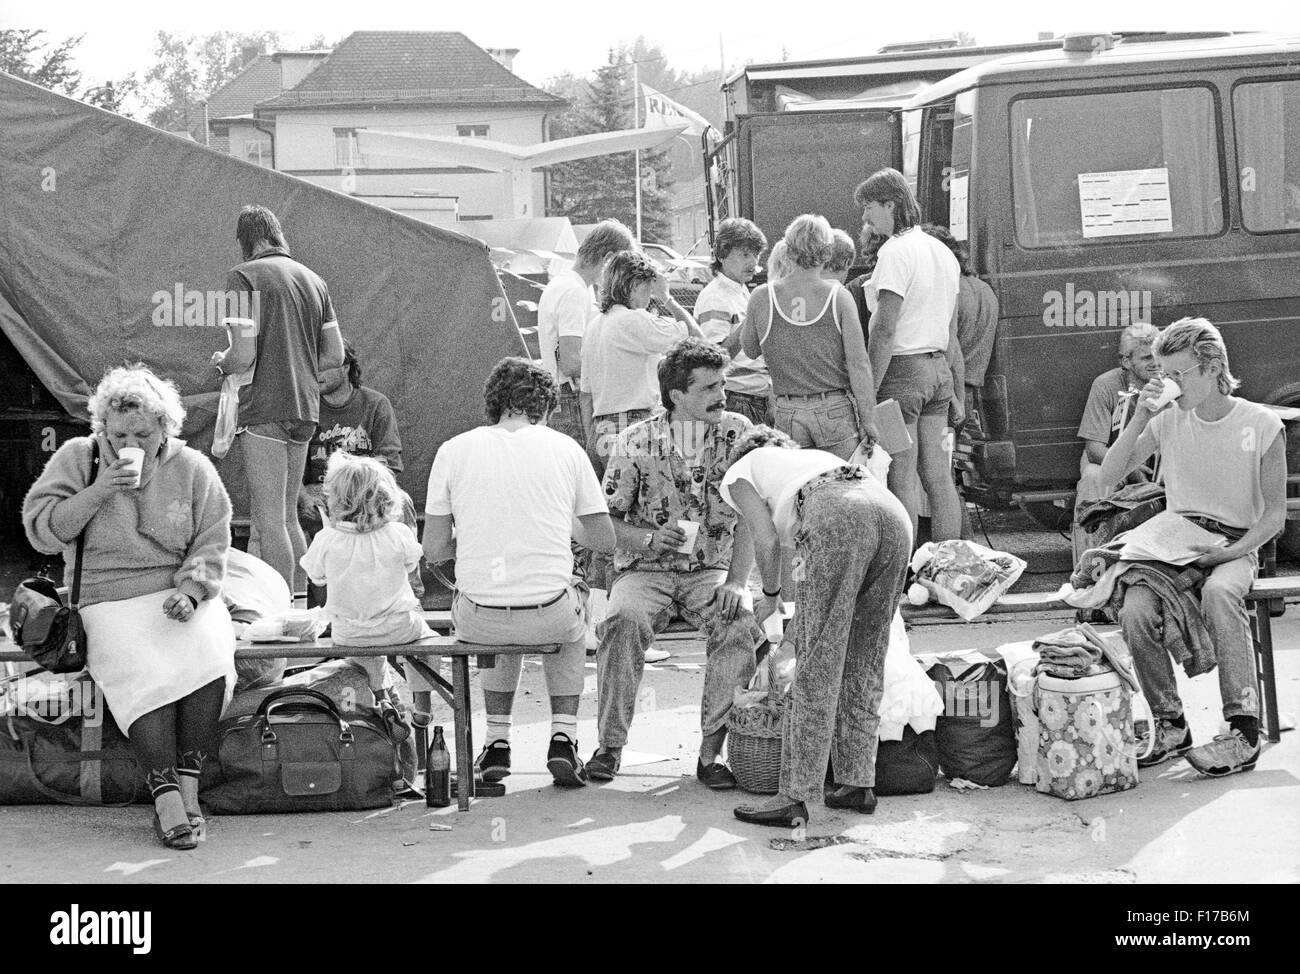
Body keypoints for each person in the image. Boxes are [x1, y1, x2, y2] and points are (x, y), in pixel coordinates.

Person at [23, 365, 235, 851]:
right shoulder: (79, 457)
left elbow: (213, 537)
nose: (128, 444)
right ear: (102, 427)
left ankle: (189, 787)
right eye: (117, 434)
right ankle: (164, 796)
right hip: (105, 595)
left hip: (174, 590)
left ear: (165, 428)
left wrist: (193, 591)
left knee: (211, 651)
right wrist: (99, 490)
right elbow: (42, 530)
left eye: (142, 433)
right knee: (142, 666)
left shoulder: (193, 466)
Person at [1098, 317, 1286, 777]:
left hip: (1234, 542)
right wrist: (1142, 414)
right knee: (1135, 609)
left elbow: (1273, 517)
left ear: (1211, 367)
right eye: (1162, 374)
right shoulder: (1168, 420)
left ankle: (1243, 729)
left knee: (1221, 593)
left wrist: (1227, 553)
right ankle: (1170, 724)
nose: (1168, 384)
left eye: (1178, 374)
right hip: (1175, 538)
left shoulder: (1260, 424)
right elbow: (1106, 479)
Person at [423, 358, 615, 787]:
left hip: (478, 616)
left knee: (498, 604)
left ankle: (496, 741)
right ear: (546, 405)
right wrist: (558, 526)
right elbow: (604, 540)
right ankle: (564, 736)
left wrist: (477, 538)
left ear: (492, 403)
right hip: (551, 612)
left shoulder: (453, 450)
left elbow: (433, 549)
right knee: (571, 597)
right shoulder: (566, 449)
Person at [589, 338, 760, 787]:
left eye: (722, 384)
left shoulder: (740, 433)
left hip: (712, 569)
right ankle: (609, 747)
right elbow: (605, 524)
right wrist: (647, 538)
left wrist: (739, 582)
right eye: (708, 388)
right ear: (677, 396)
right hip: (645, 569)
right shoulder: (635, 441)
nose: (721, 395)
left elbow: (752, 516)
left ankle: (710, 755)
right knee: (622, 618)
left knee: (739, 622)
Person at [720, 427, 911, 826]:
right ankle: (858, 781)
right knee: (866, 655)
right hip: (891, 513)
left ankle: (793, 794)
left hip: (837, 516)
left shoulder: (741, 469)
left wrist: (770, 595)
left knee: (816, 666)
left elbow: (766, 541)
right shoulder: (813, 460)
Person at [212, 204, 345, 593]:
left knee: (267, 521)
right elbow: (334, 357)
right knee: (288, 517)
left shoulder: (242, 276)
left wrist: (222, 363)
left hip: (264, 406)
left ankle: (281, 611)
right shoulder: (315, 280)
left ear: (245, 242)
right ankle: (302, 609)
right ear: (277, 234)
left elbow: (243, 356)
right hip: (306, 407)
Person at [855, 169, 964, 543]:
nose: (866, 219)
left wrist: (866, 390)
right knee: (939, 477)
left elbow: (884, 329)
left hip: (901, 374)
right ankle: (947, 567)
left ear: (891, 203)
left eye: (870, 208)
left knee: (901, 473)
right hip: (939, 371)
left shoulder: (894, 253)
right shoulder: (941, 251)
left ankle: (901, 573)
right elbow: (951, 331)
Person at [738, 214, 877, 461]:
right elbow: (859, 364)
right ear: (826, 254)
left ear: (788, 252)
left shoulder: (761, 297)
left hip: (787, 409)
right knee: (843, 488)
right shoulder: (839, 297)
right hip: (834, 407)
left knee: (796, 490)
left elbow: (750, 350)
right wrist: (868, 420)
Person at [300, 452, 432, 699]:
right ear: (387, 496)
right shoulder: (398, 533)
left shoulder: (326, 539)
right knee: (428, 645)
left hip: (347, 632)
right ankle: (422, 703)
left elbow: (316, 577)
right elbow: (412, 564)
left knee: (365, 652)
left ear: (335, 499)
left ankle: (383, 696)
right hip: (398, 626)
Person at [299, 339, 422, 603]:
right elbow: (289, 464)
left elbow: (389, 464)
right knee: (289, 511)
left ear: (345, 367)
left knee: (403, 503)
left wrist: (352, 490)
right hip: (321, 497)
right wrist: (302, 493)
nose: (315, 373)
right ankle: (314, 609)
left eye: (322, 366)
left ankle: (411, 598)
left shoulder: (375, 404)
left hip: (368, 494)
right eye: (311, 366)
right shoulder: (305, 407)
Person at [580, 250, 703, 475]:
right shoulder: (634, 320)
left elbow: (585, 395)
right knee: (650, 505)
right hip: (635, 424)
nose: (650, 296)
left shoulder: (593, 327)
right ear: (636, 285)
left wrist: (591, 439)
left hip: (600, 431)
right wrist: (667, 297)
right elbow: (697, 338)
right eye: (649, 286)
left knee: (615, 505)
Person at [536, 219, 637, 446]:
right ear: (609, 259)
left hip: (561, 399)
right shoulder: (574, 291)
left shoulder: (567, 285)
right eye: (621, 268)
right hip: (570, 401)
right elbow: (571, 362)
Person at [1073, 321, 1162, 563]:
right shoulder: (1107, 385)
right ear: (1126, 362)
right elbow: (1093, 450)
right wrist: (1130, 468)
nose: (1155, 364)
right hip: (1109, 460)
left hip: (1157, 463)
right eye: (1146, 358)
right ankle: (1087, 567)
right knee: (1093, 478)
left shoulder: (1173, 383)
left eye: (1158, 355)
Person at [921, 225, 998, 439]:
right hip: (970, 391)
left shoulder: (947, 291)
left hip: (946, 392)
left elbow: (950, 346)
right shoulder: (985, 290)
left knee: (937, 461)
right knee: (953, 461)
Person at [694, 217, 772, 425]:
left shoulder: (741, 291)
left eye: (756, 254)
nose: (753, 262)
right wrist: (753, 315)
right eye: (745, 254)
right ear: (722, 255)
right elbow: (715, 359)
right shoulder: (715, 297)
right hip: (737, 398)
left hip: (755, 396)